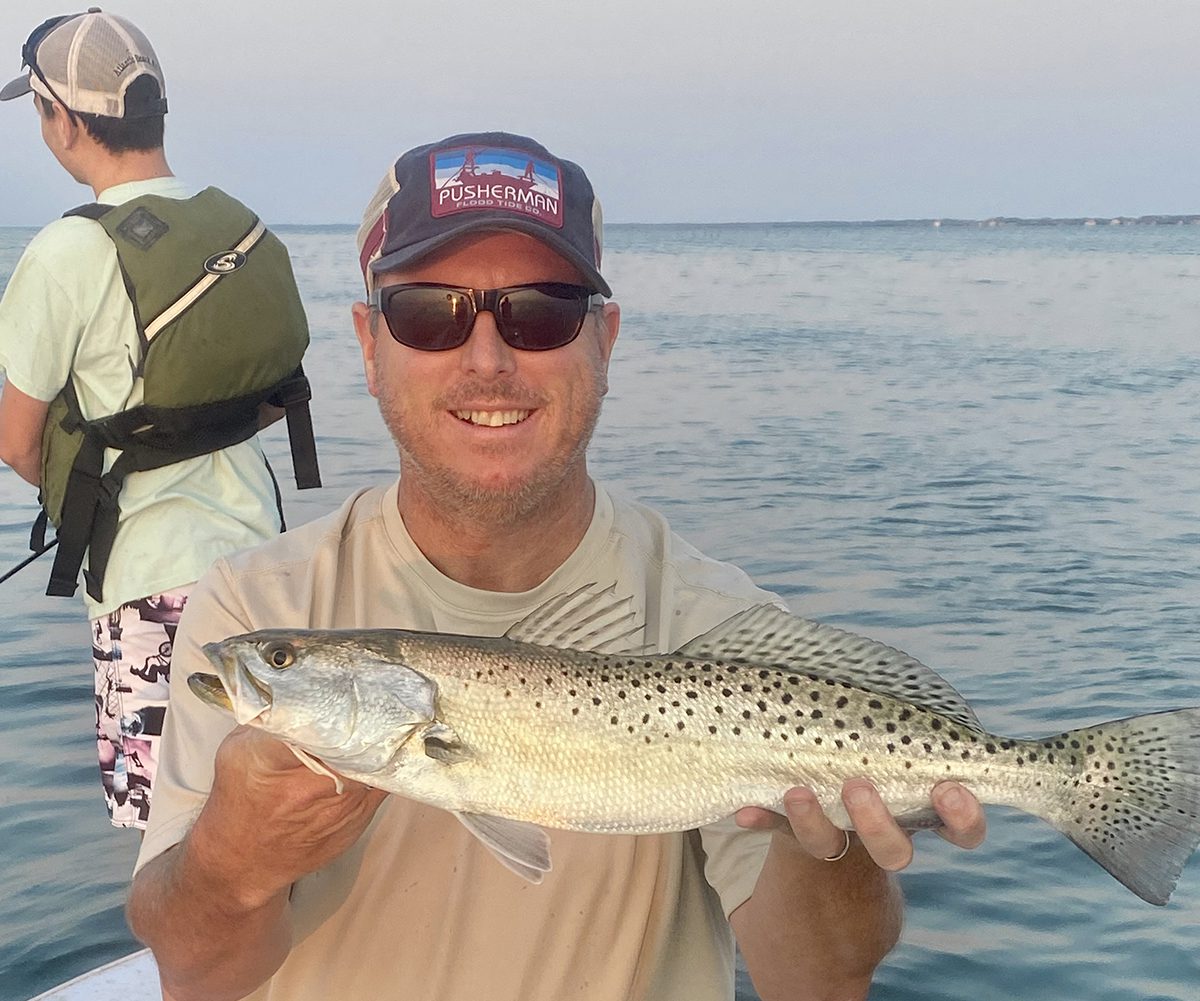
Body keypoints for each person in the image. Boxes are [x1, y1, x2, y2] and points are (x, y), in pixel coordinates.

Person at [126, 131, 986, 1001]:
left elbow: (819, 984)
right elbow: (195, 978)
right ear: (369, 343)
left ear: (604, 339)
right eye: (431, 311)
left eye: (542, 312)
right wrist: (231, 863)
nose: (489, 360)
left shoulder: (718, 625)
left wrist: (830, 847)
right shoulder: (251, 597)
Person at [0, 9, 316, 831]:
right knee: (268, 817)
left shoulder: (65, 253)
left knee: (169, 838)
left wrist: (87, 484)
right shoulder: (240, 226)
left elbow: (17, 441)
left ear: (61, 121)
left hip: (148, 584)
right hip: (266, 571)